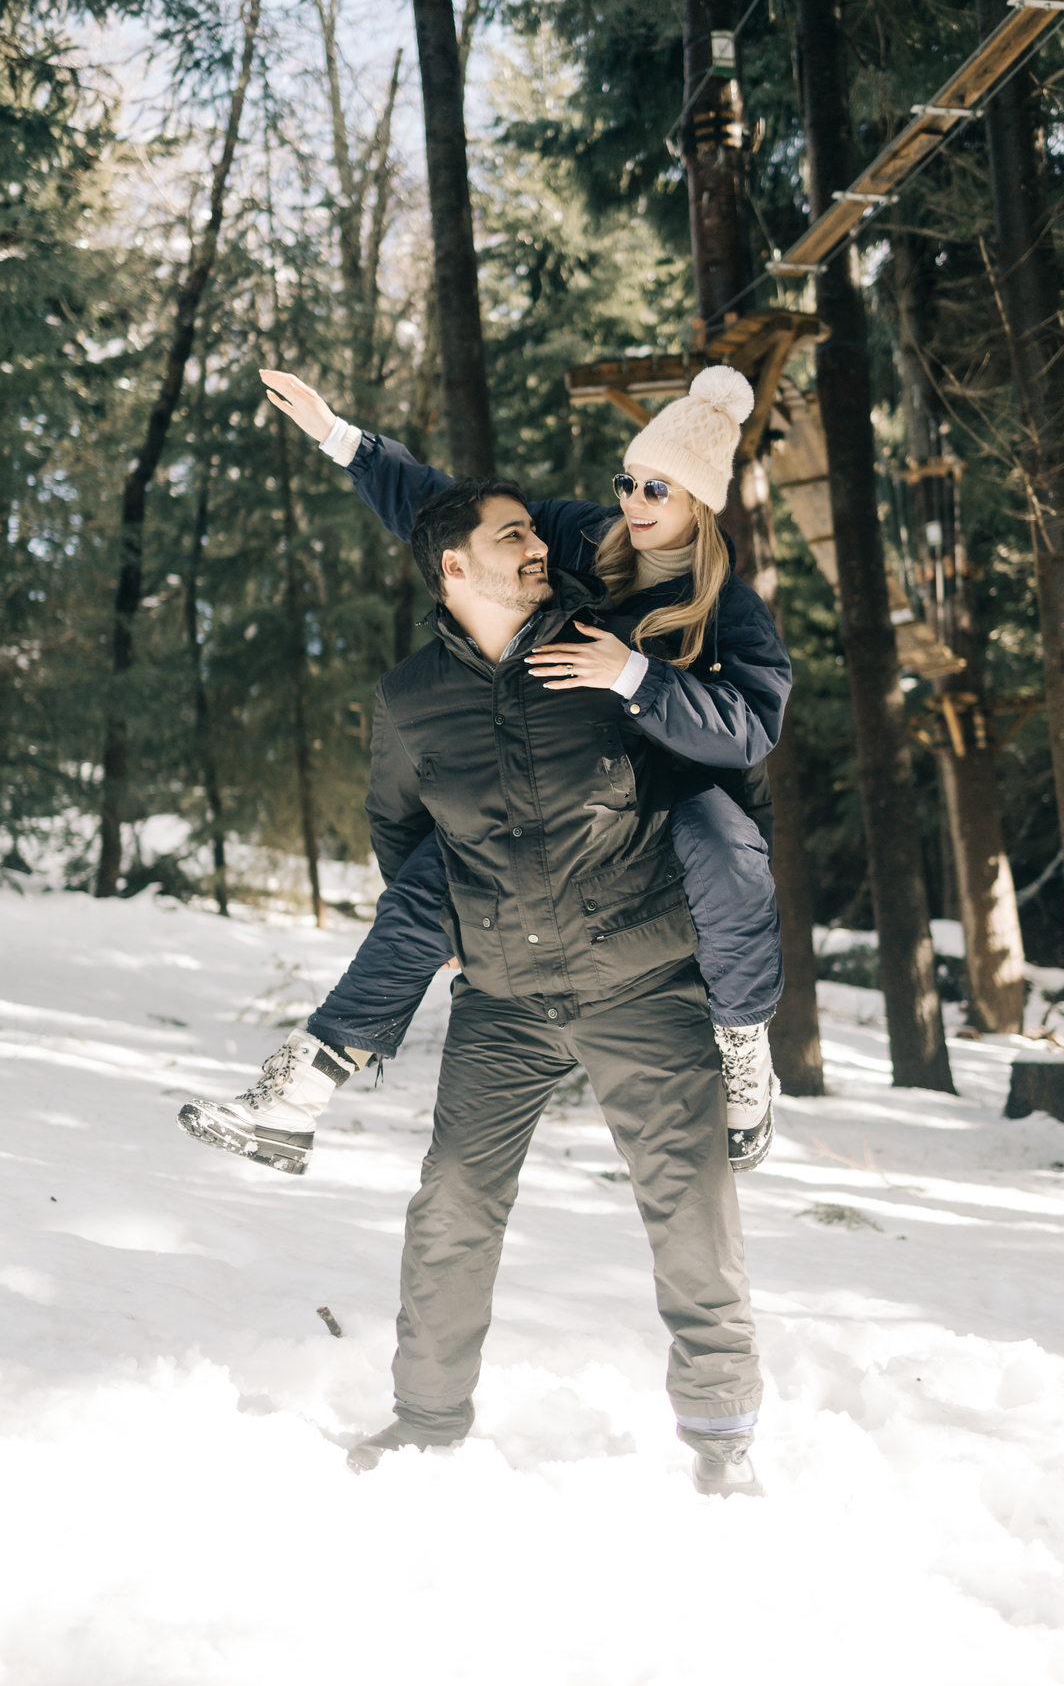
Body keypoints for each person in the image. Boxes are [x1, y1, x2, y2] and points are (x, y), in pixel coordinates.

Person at [228, 471, 767, 1493]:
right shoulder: (410, 700)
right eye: (513, 535)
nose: (538, 549)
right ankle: (426, 1424)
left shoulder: (603, 654)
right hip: (504, 998)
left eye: (533, 533)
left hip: (643, 979)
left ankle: (723, 1446)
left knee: (692, 1213)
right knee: (452, 1207)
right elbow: (402, 834)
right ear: (453, 564)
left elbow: (717, 776)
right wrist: (462, 934)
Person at [179, 367, 792, 1183]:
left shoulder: (728, 607)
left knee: (726, 849)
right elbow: (454, 525)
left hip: (670, 794)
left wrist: (635, 677)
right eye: (631, 480)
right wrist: (339, 437)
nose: (637, 502)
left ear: (700, 503)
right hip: (567, 785)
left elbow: (752, 727)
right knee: (443, 872)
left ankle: (745, 1049)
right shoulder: (584, 537)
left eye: (660, 489)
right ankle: (294, 1096)